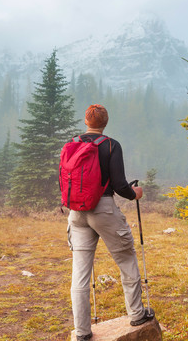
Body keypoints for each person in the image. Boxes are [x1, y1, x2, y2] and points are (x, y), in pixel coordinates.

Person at [66, 104, 154, 341]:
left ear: (86, 121)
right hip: (103, 209)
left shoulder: (72, 143)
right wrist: (135, 193)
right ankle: (137, 314)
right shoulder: (111, 145)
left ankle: (82, 332)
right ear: (105, 122)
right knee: (126, 259)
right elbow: (118, 185)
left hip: (76, 212)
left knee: (80, 273)